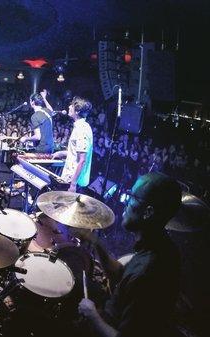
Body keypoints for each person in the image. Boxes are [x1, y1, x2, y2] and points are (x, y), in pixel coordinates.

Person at [74, 172, 181, 337]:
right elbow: (122, 278)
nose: (125, 202)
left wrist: (92, 316)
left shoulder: (148, 272)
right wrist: (95, 241)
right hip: (114, 309)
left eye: (131, 197)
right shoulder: (160, 246)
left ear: (148, 212)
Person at [52, 96, 94, 192]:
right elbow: (76, 153)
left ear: (77, 111)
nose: (69, 107)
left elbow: (82, 160)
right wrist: (61, 153)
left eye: (71, 105)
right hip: (71, 179)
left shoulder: (82, 129)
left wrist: (73, 184)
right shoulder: (80, 126)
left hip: (74, 181)